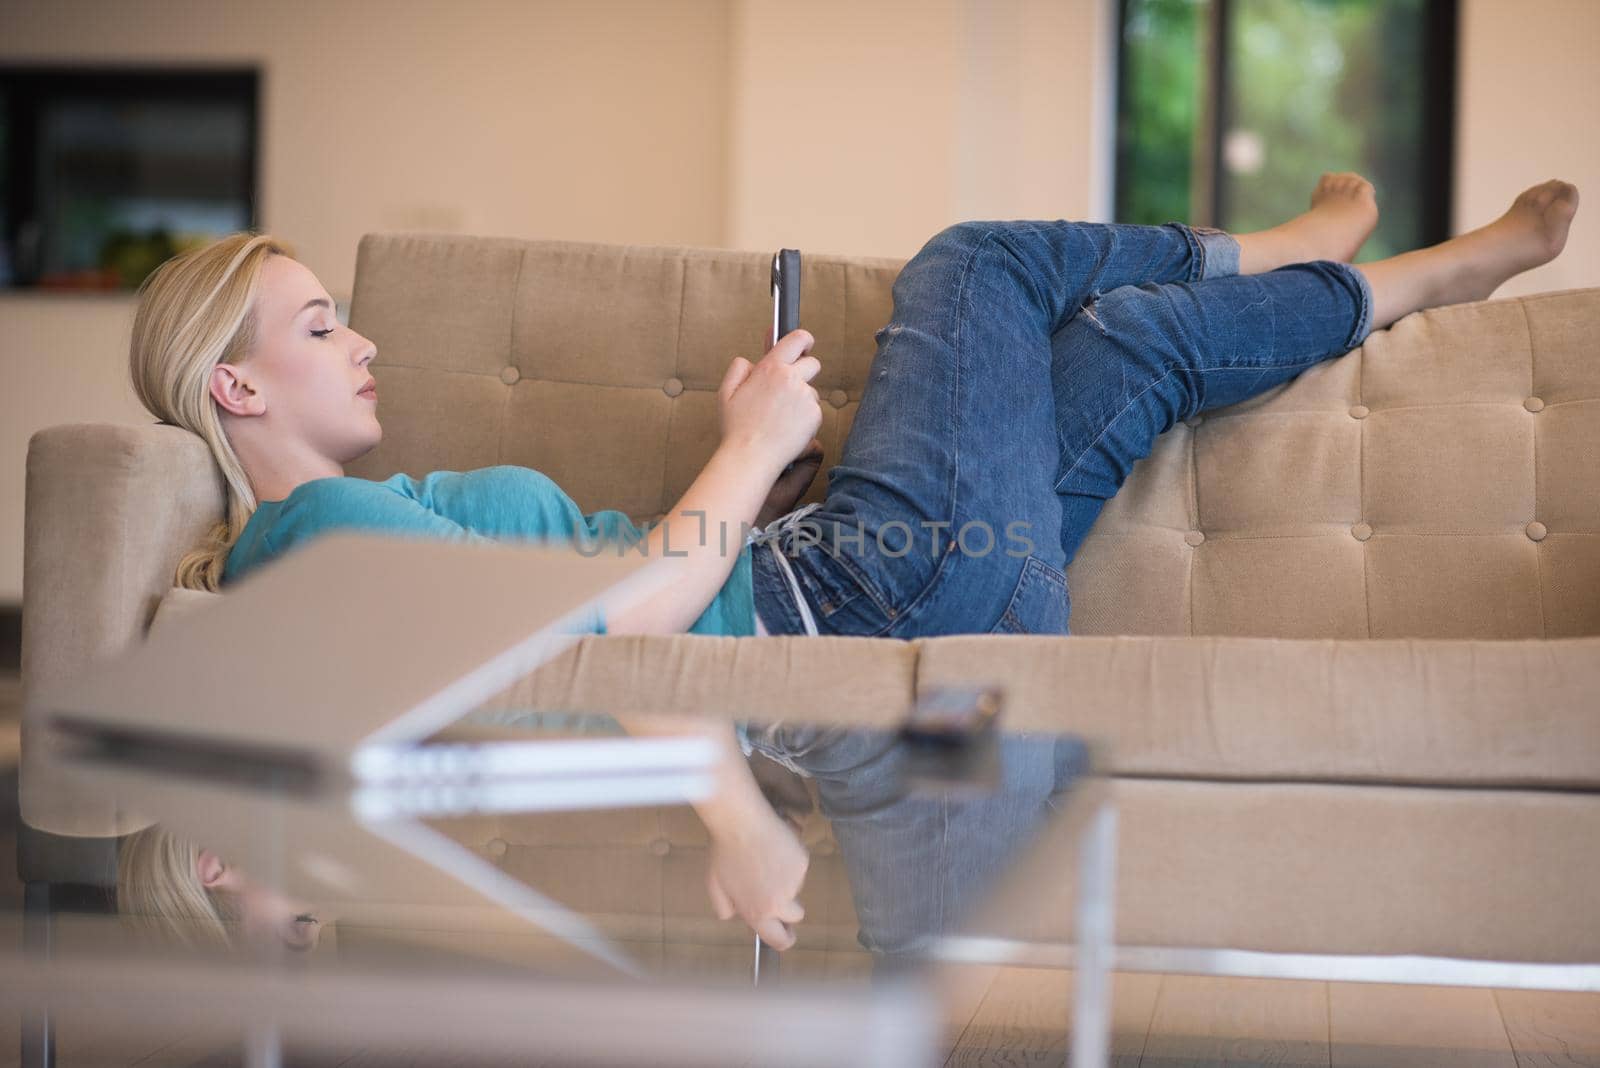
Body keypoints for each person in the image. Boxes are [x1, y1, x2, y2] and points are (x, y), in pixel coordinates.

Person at [127, 174, 1579, 956]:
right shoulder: (311, 538)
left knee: (1123, 349)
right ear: (237, 393)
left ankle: (1404, 280)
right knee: (976, 265)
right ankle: (1279, 245)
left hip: (917, 603)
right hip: (865, 600)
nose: (365, 338)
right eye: (320, 327)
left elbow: (575, 651)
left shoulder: (353, 547)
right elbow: (602, 634)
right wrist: (753, 445)